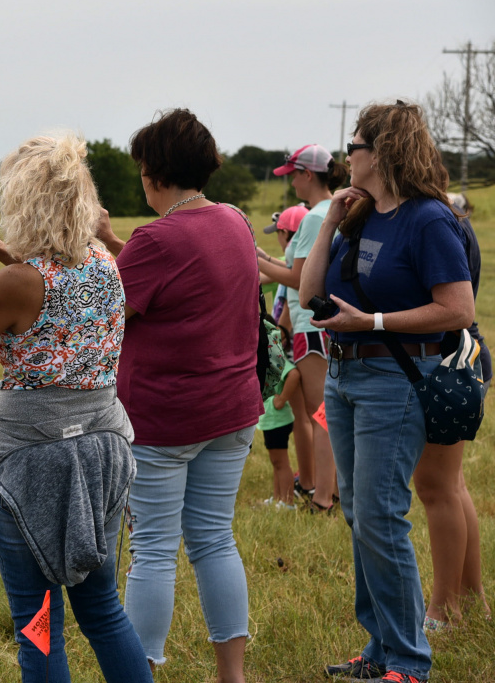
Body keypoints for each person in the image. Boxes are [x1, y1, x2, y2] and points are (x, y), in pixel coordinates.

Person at [0, 131, 151, 683]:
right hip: (104, 456)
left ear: (23, 200)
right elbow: (55, 285)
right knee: (104, 612)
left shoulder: (18, 283)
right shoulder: (105, 264)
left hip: (32, 468)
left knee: (38, 627)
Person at [300, 100, 474, 683]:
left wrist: (371, 324)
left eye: (354, 145)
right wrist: (328, 220)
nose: (347, 155)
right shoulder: (359, 214)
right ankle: (378, 650)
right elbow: (308, 296)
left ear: (381, 151)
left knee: (379, 513)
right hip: (348, 376)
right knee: (359, 513)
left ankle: (408, 661)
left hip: (395, 380)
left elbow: (458, 308)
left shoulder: (428, 219)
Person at [94, 109, 261, 683]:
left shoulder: (156, 238)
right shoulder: (233, 222)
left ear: (155, 171)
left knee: (155, 551)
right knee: (216, 540)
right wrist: (111, 240)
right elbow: (168, 272)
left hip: (166, 420)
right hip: (233, 409)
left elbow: (101, 314)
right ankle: (231, 675)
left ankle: (140, 672)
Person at [411, 191, 490, 630]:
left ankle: (445, 610)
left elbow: (455, 305)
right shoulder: (450, 213)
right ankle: (470, 597)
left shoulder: (433, 220)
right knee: (451, 485)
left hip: (449, 361)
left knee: (436, 486)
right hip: (466, 356)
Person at [257, 144, 349, 513]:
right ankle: (335, 490)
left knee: (321, 414)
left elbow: (298, 278)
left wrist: (251, 257)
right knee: (328, 412)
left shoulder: (314, 218)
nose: (291, 181)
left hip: (311, 327)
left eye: (293, 174)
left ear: (307, 175)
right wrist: (262, 257)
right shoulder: (331, 210)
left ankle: (324, 498)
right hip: (324, 326)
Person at [259, 358, 301, 509]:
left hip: (277, 420)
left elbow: (294, 374)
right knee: (276, 462)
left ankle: (288, 502)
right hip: (271, 420)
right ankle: (278, 498)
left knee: (281, 463)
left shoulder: (274, 356)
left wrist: (282, 399)